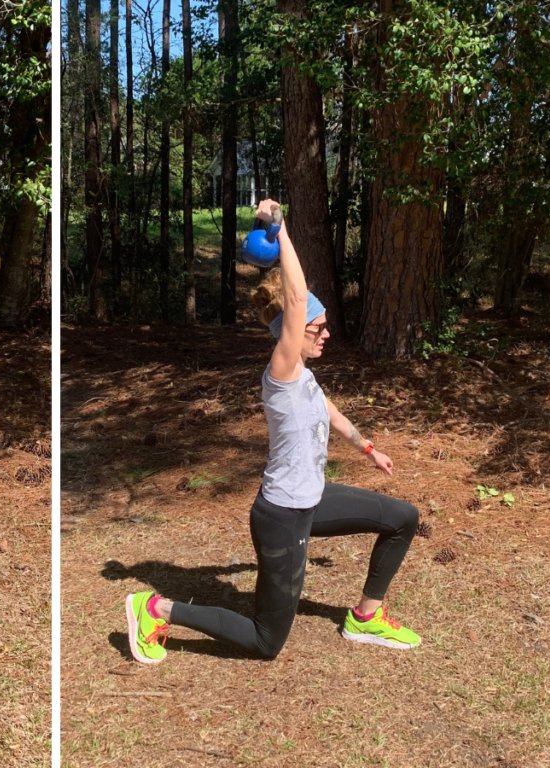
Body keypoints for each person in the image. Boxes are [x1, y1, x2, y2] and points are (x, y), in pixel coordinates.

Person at [126, 199, 421, 664]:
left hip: (313, 498)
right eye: (317, 328)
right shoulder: (281, 373)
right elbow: (298, 299)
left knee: (402, 516)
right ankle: (157, 609)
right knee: (267, 641)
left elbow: (332, 413)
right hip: (283, 514)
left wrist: (368, 449)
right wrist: (280, 229)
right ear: (292, 330)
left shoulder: (303, 376)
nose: (326, 334)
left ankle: (366, 617)